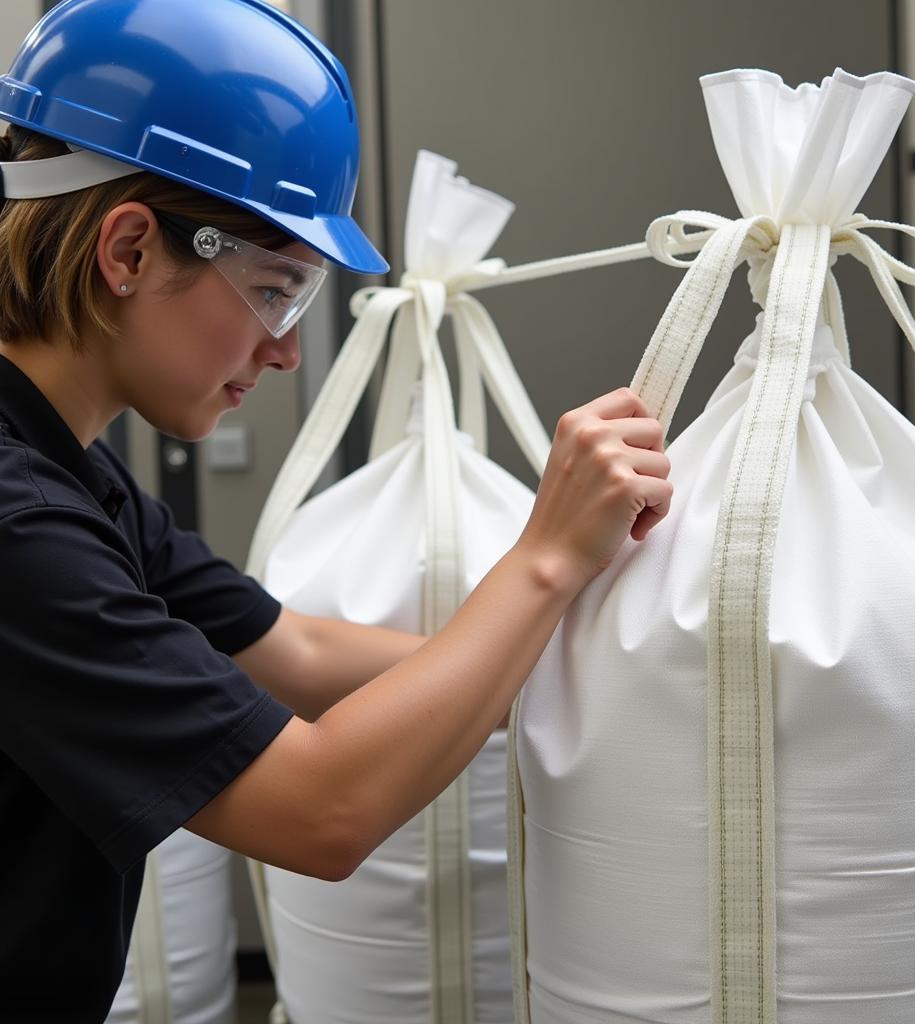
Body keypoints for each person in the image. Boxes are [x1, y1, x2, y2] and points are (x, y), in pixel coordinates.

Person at [0, 1, 673, 1020]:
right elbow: (322, 809)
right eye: (276, 289)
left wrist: (629, 666)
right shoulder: (19, 521)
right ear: (129, 249)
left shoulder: (75, 475)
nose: (285, 351)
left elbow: (301, 655)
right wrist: (545, 556)